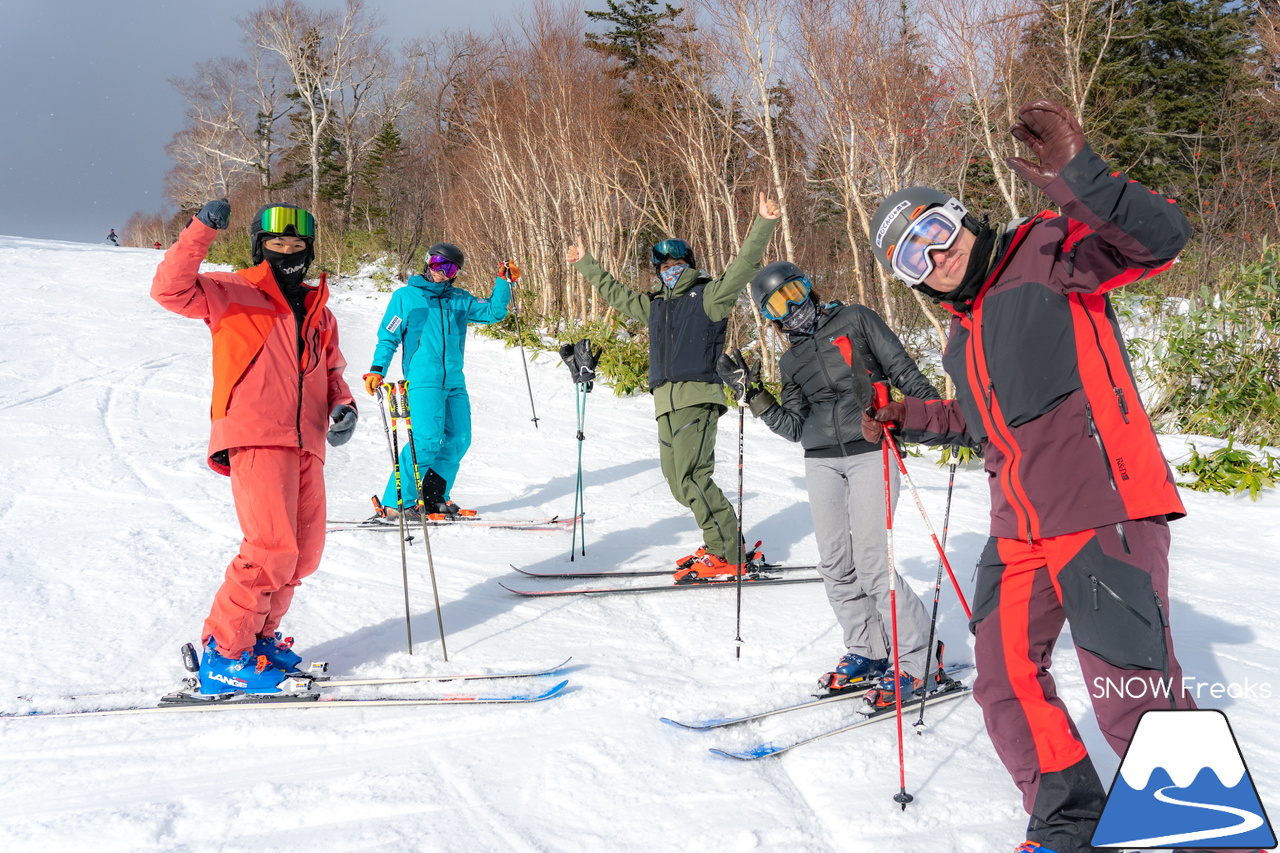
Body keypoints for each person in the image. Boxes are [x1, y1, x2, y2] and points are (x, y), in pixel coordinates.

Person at [866, 100, 1200, 853]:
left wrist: (1082, 175)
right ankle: (1068, 820)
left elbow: (1161, 239)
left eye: (935, 232)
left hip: (1100, 506)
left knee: (1129, 696)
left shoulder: (1047, 249)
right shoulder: (962, 332)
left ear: (964, 218)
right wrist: (907, 415)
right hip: (1020, 530)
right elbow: (980, 422)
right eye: (912, 258)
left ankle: (1210, 835)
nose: (936, 256)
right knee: (1003, 678)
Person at [152, 199, 357, 695]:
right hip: (256, 432)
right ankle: (224, 653)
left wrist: (343, 405)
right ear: (259, 246)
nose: (288, 251)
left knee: (302, 555)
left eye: (297, 245)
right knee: (269, 548)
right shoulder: (231, 291)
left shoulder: (318, 311)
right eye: (276, 243)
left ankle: (258, 641)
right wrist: (201, 230)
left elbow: (331, 370)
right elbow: (169, 290)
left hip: (307, 441)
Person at [719, 261, 947, 702]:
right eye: (777, 306)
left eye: (795, 291)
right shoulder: (791, 359)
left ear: (810, 287)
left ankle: (919, 659)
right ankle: (868, 650)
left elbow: (902, 370)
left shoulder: (856, 319)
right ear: (770, 318)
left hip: (870, 450)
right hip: (820, 461)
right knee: (836, 565)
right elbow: (792, 426)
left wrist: (940, 417)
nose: (792, 308)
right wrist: (754, 394)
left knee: (873, 563)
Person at [566, 192, 781, 576]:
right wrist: (585, 262)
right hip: (664, 402)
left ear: (689, 266)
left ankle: (729, 553)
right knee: (677, 483)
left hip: (697, 396)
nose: (670, 269)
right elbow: (615, 293)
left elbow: (743, 267)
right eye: (663, 265)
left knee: (692, 477)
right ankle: (719, 543)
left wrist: (763, 222)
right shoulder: (655, 306)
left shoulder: (709, 296)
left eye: (677, 263)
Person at [364, 242, 511, 518]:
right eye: (436, 263)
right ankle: (396, 503)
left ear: (456, 272)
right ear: (427, 263)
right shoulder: (406, 298)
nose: (441, 272)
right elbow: (389, 335)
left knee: (459, 439)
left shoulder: (460, 299)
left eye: (449, 267)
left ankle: (432, 497)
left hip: (454, 381)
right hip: (423, 381)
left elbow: (493, 312)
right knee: (426, 440)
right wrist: (377, 369)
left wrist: (503, 282)